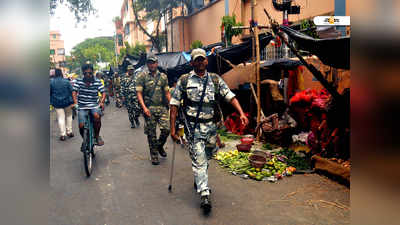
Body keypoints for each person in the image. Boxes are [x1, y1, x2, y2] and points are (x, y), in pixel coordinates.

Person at [169, 48, 249, 213]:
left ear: (206, 61)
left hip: (211, 128)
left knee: (207, 156)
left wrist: (241, 113)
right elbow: (174, 105)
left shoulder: (215, 79)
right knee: (199, 160)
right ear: (191, 63)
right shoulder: (184, 81)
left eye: (202, 59)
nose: (200, 62)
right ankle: (204, 194)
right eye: (196, 60)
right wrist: (172, 129)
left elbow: (230, 96)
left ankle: (199, 179)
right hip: (193, 128)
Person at [136, 52, 171, 165]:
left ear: (157, 63)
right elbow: (139, 93)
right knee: (151, 133)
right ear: (147, 64)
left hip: (162, 108)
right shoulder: (142, 76)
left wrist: (171, 105)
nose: (152, 65)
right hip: (149, 108)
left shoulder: (163, 76)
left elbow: (167, 93)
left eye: (154, 63)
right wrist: (144, 108)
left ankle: (159, 146)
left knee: (166, 129)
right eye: (150, 63)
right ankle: (154, 155)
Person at [72, 63, 106, 146]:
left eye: (90, 73)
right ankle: (85, 140)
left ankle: (97, 136)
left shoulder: (97, 81)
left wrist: (101, 102)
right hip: (82, 106)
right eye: (85, 73)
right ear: (83, 73)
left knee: (97, 117)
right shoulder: (78, 81)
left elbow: (103, 93)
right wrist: (75, 103)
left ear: (92, 72)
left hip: (94, 105)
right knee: (81, 126)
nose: (88, 75)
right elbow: (74, 92)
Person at [50, 68, 74, 141]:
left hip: (57, 103)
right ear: (61, 73)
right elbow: (72, 91)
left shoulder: (51, 82)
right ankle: (69, 132)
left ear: (55, 74)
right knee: (69, 116)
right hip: (67, 102)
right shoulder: (66, 81)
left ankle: (62, 134)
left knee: (61, 118)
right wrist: (73, 101)